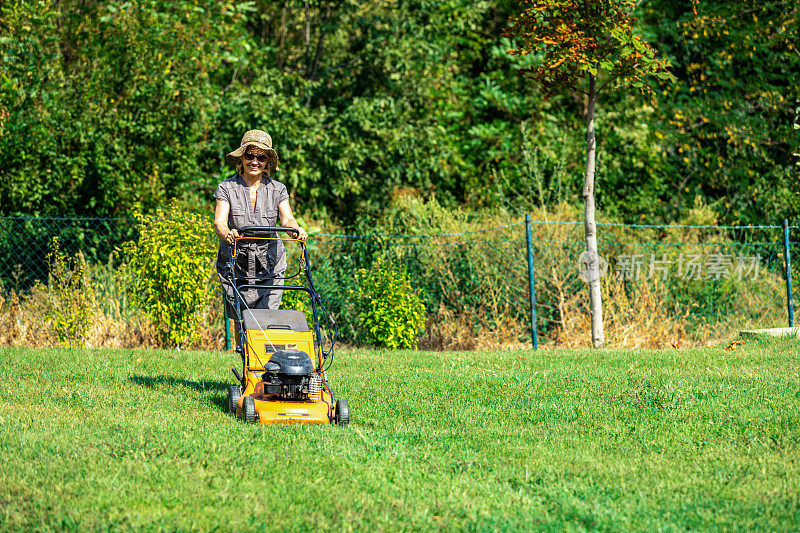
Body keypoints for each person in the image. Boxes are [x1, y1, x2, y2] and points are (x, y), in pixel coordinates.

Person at [214, 130, 308, 317]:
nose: (254, 161)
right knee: (240, 317)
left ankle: (263, 346)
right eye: (249, 155)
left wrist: (295, 230)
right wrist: (228, 234)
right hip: (237, 261)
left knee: (267, 314)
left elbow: (287, 218)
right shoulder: (226, 188)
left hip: (270, 263)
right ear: (241, 158)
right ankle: (242, 347)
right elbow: (219, 222)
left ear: (267, 162)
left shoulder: (278, 189)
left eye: (261, 157)